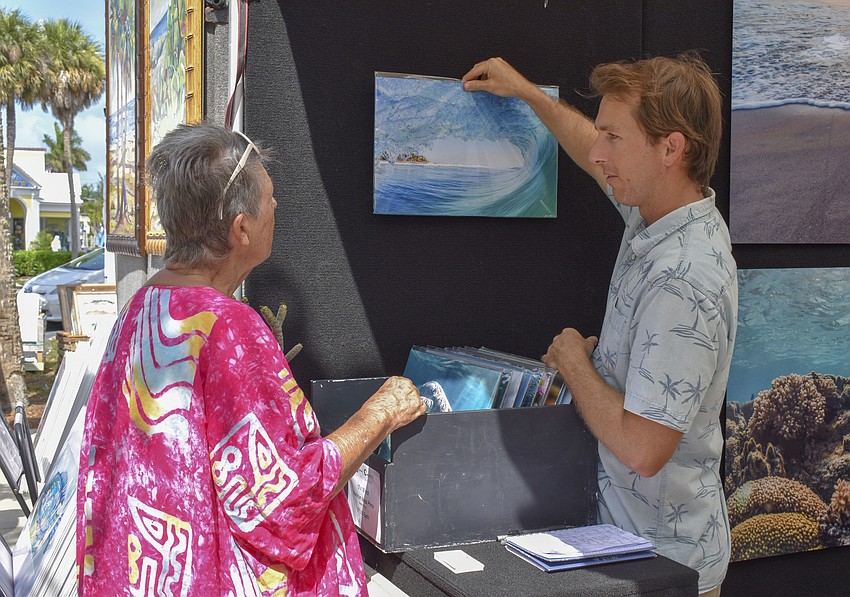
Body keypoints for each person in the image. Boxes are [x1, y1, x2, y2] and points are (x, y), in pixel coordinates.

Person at [75, 122, 427, 596]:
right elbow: (281, 504)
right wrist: (381, 414)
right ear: (240, 228)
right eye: (269, 198)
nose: (277, 206)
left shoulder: (139, 308)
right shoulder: (227, 328)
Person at [463, 53, 736, 596]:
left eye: (614, 137)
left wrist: (574, 364)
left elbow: (643, 448)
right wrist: (530, 94)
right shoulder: (661, 212)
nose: (597, 152)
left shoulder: (684, 281)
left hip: (664, 571)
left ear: (670, 149)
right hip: (631, 550)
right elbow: (594, 157)